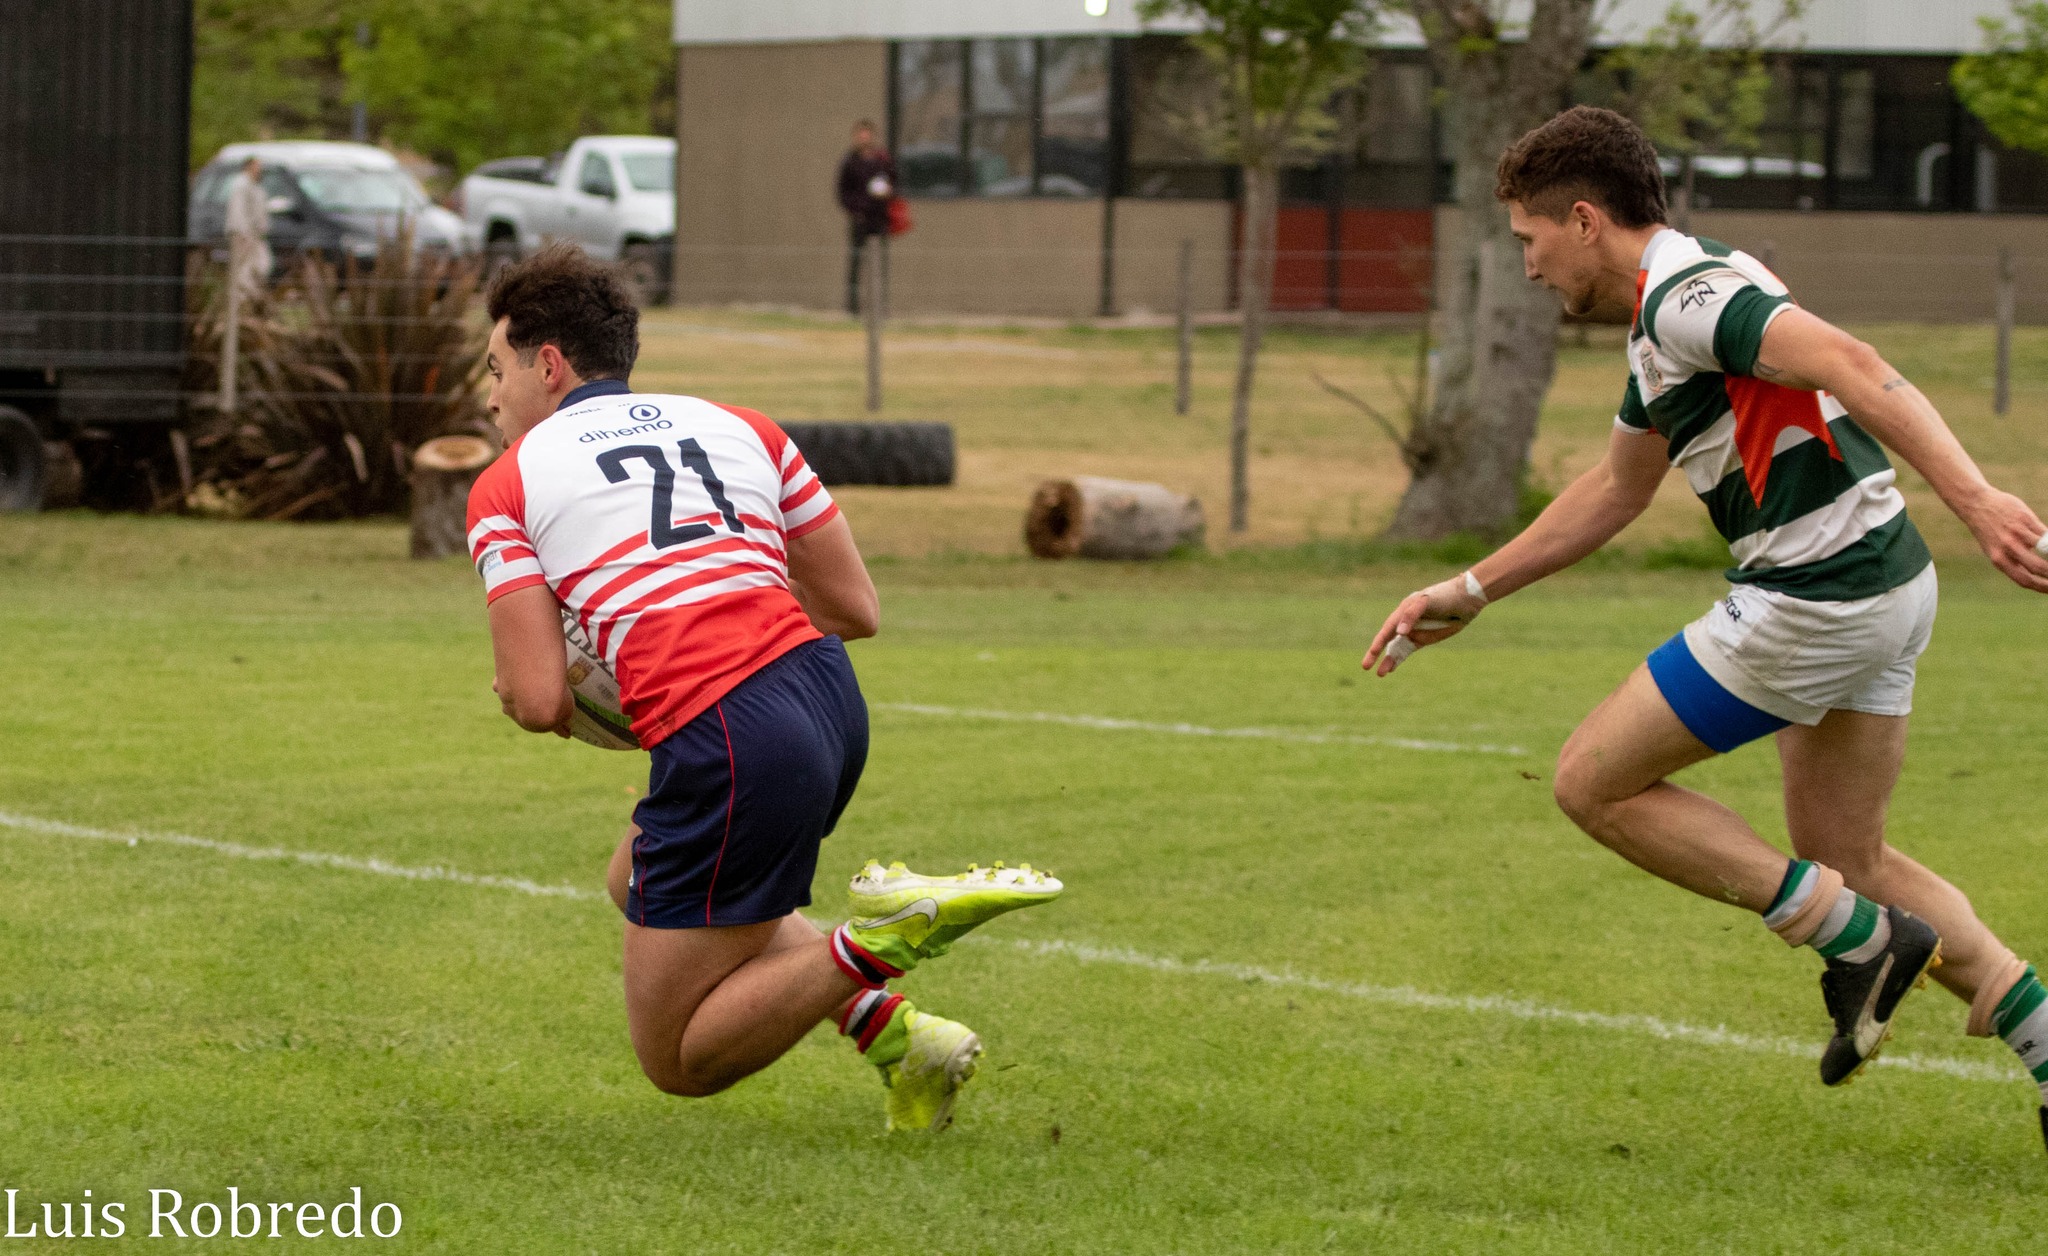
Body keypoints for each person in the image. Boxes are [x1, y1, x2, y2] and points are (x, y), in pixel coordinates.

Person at [1364, 106, 2048, 1146]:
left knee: (1592, 781)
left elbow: (1853, 361)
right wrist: (1470, 587)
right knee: (1846, 853)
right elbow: (1615, 488)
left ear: (1583, 219)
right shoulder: (1673, 307)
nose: (1528, 265)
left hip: (1814, 598)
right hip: (1885, 585)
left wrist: (1979, 499)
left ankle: (1860, 942)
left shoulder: (1691, 298)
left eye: (1529, 239)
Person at [466, 244, 1061, 1131]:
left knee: (679, 1060)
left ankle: (880, 938)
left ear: (548, 365)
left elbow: (541, 698)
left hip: (732, 735)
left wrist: (557, 692)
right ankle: (900, 1040)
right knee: (633, 877)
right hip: (827, 699)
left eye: (496, 369)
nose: (490, 397)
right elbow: (854, 609)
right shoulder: (742, 425)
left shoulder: (505, 485)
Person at [836, 120, 897, 316]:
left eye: (867, 135)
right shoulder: (849, 162)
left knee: (880, 265)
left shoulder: (882, 160)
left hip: (879, 219)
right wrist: (855, 211)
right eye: (860, 135)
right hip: (859, 220)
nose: (864, 139)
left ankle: (880, 308)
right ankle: (853, 308)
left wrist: (887, 192)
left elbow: (895, 183)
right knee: (856, 262)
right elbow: (843, 193)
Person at [224, 155, 273, 302]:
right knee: (243, 270)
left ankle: (252, 298)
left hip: (255, 235)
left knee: (262, 265)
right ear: (248, 167)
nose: (260, 170)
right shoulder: (241, 184)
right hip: (244, 235)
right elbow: (237, 210)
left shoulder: (254, 185)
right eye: (257, 166)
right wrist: (243, 233)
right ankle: (244, 300)